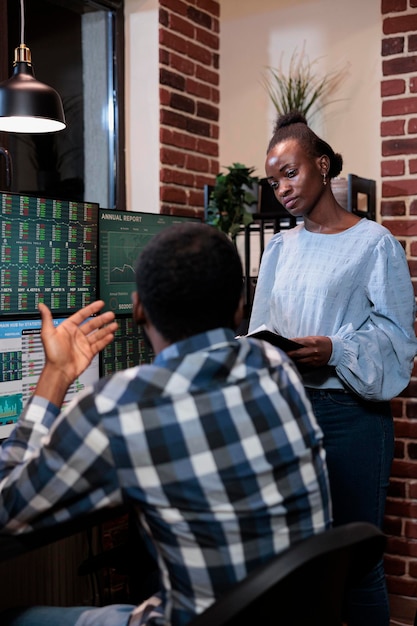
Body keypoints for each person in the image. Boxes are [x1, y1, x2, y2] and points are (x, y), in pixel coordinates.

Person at [0, 221, 331, 626]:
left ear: (138, 307)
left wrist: (56, 373)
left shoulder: (124, 405)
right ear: (240, 305)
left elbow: (8, 510)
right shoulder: (274, 364)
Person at [248, 110, 417, 626]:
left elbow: (398, 340)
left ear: (322, 166)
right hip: (290, 415)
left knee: (358, 563)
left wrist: (335, 351)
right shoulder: (279, 247)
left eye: (291, 173)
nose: (282, 188)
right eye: (274, 180)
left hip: (352, 419)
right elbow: (261, 328)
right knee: (298, 561)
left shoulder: (374, 244)